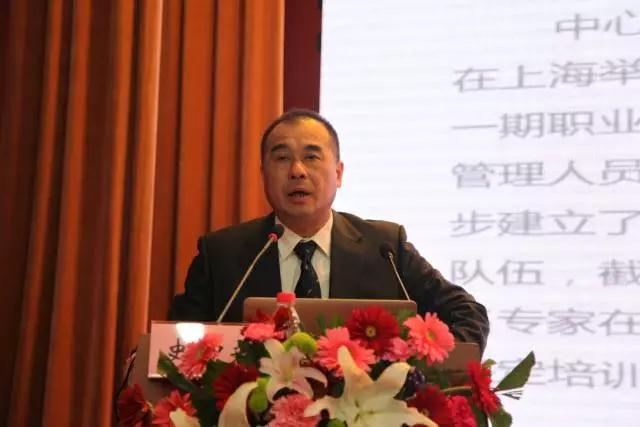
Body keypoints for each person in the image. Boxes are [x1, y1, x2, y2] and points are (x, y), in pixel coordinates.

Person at [169, 109, 489, 351]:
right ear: (263, 175)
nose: (297, 171)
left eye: (311, 157)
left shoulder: (385, 249)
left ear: (338, 173)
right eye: (282, 158)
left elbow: (467, 313)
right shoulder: (221, 254)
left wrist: (427, 370)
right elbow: (176, 344)